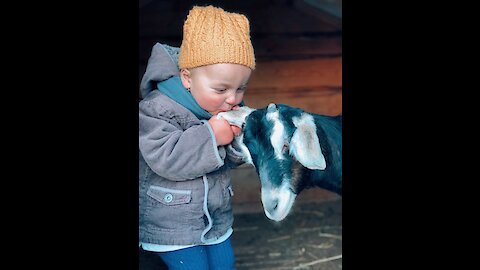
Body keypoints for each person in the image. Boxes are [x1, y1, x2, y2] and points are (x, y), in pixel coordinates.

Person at [139, 5, 255, 270]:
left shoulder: (223, 108)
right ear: (187, 78)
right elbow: (166, 158)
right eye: (222, 88)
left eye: (241, 88)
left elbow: (231, 159)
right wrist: (212, 135)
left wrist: (238, 141)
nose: (232, 98)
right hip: (171, 228)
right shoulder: (156, 109)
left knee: (225, 264)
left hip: (216, 220)